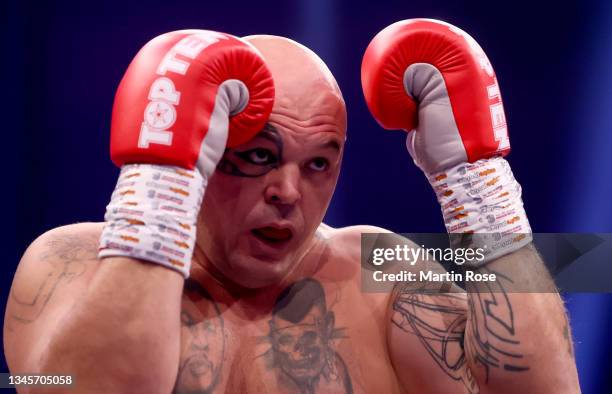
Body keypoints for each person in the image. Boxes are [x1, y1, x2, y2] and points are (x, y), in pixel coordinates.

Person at [4, 20, 580, 394]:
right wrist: (159, 186)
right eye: (258, 155)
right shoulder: (68, 262)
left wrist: (479, 186)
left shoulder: (381, 274)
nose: (288, 191)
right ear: (201, 149)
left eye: (318, 164)